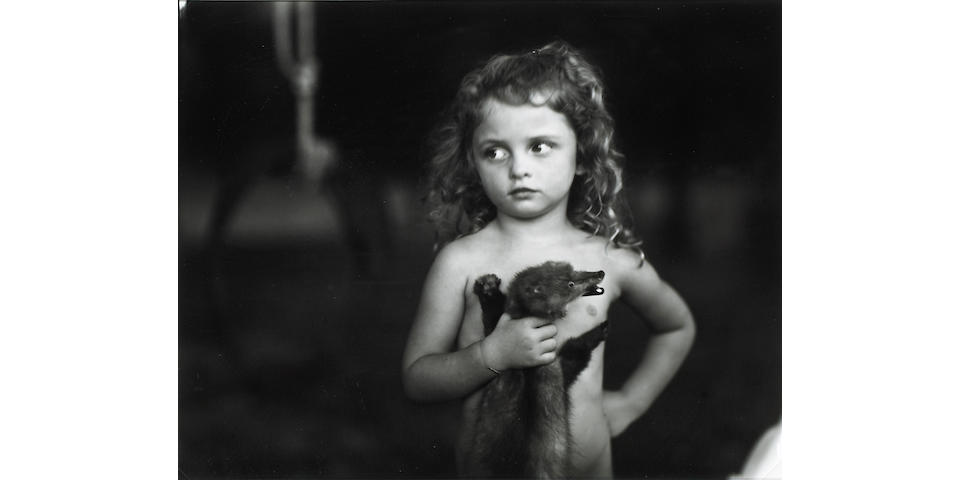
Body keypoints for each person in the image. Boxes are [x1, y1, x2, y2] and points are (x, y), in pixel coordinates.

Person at [402, 41, 696, 478]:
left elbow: (676, 325)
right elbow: (417, 378)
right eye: (496, 152)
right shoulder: (461, 263)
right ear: (473, 165)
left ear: (582, 154)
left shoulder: (606, 261)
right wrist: (490, 353)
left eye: (540, 146)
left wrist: (632, 400)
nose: (518, 168)